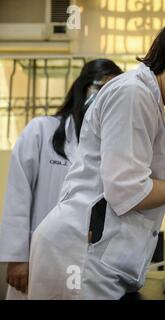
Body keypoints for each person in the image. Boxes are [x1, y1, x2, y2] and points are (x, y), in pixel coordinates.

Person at [26, 22, 165, 299]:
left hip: (99, 256)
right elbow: (128, 191)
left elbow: (125, 174)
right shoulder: (133, 95)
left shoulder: (147, 99)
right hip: (79, 257)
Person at [0, 59, 122, 300]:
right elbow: (18, 196)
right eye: (101, 89)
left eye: (114, 93)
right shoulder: (40, 131)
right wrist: (17, 258)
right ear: (82, 88)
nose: (106, 98)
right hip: (37, 258)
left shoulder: (110, 146)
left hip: (87, 263)